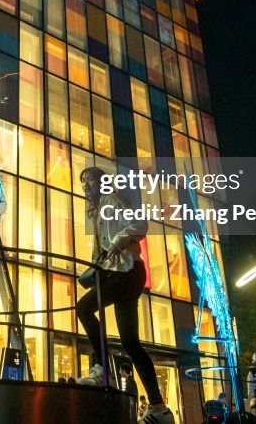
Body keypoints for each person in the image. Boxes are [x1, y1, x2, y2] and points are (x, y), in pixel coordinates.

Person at [75, 167, 173, 424]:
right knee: (130, 342)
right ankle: (159, 408)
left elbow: (141, 224)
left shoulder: (113, 199)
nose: (86, 186)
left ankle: (102, 369)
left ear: (101, 182)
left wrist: (118, 241)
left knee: (84, 308)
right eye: (83, 182)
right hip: (122, 274)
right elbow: (105, 252)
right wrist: (95, 266)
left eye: (90, 180)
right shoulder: (98, 212)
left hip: (128, 273)